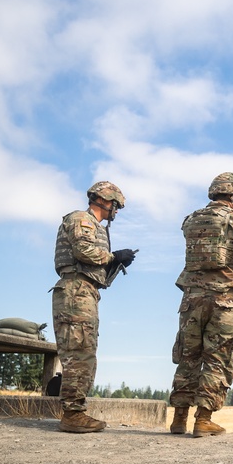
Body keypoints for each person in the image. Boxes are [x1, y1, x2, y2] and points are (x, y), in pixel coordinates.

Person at [169, 172, 233, 437]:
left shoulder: (191, 221)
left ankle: (179, 419)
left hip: (191, 300)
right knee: (218, 357)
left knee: (188, 356)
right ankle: (203, 420)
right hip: (224, 301)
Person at [52, 181, 137, 433]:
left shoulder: (94, 226)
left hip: (85, 291)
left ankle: (75, 411)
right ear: (105, 200)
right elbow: (82, 250)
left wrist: (115, 265)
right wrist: (113, 256)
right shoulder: (81, 219)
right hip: (76, 291)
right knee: (78, 353)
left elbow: (91, 261)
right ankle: (72, 414)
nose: (116, 212)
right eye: (116, 206)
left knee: (85, 351)